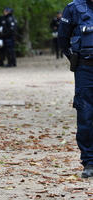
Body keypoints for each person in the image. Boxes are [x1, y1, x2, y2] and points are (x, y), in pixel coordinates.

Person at [58, 0, 93, 178]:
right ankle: (89, 162)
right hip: (85, 69)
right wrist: (76, 60)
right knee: (85, 115)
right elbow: (62, 39)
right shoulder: (73, 8)